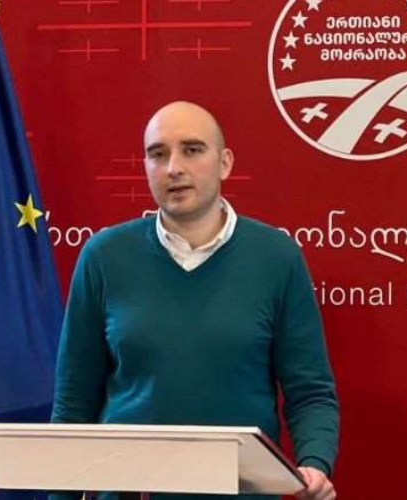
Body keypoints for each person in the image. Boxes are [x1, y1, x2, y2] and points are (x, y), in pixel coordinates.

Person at [51, 101, 339, 500]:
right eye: (158, 154)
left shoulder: (276, 257)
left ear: (225, 163)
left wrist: (314, 463)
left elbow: (310, 392)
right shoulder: (104, 256)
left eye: (192, 150)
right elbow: (73, 402)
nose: (174, 168)